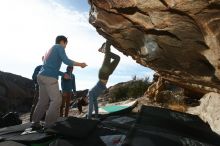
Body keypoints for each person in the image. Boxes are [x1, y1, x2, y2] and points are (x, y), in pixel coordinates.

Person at [32, 35, 87, 127]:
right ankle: (49, 124)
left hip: (41, 76)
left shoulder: (49, 50)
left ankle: (35, 122)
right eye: (66, 44)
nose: (65, 46)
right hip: (49, 78)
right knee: (57, 100)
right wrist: (80, 64)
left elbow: (50, 67)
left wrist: (62, 74)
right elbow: (66, 61)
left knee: (43, 101)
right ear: (63, 42)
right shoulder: (59, 47)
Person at [87, 40, 120, 119]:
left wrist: (88, 118)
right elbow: (95, 106)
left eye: (86, 101)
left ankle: (108, 41)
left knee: (107, 55)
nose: (87, 101)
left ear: (84, 98)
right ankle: (104, 51)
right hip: (107, 75)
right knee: (117, 58)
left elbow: (90, 107)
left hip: (102, 74)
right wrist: (96, 117)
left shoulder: (90, 93)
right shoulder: (94, 96)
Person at [30, 56, 44, 122]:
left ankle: (42, 119)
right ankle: (32, 120)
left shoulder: (50, 68)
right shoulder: (39, 67)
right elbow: (34, 77)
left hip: (48, 88)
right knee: (36, 103)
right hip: (39, 88)